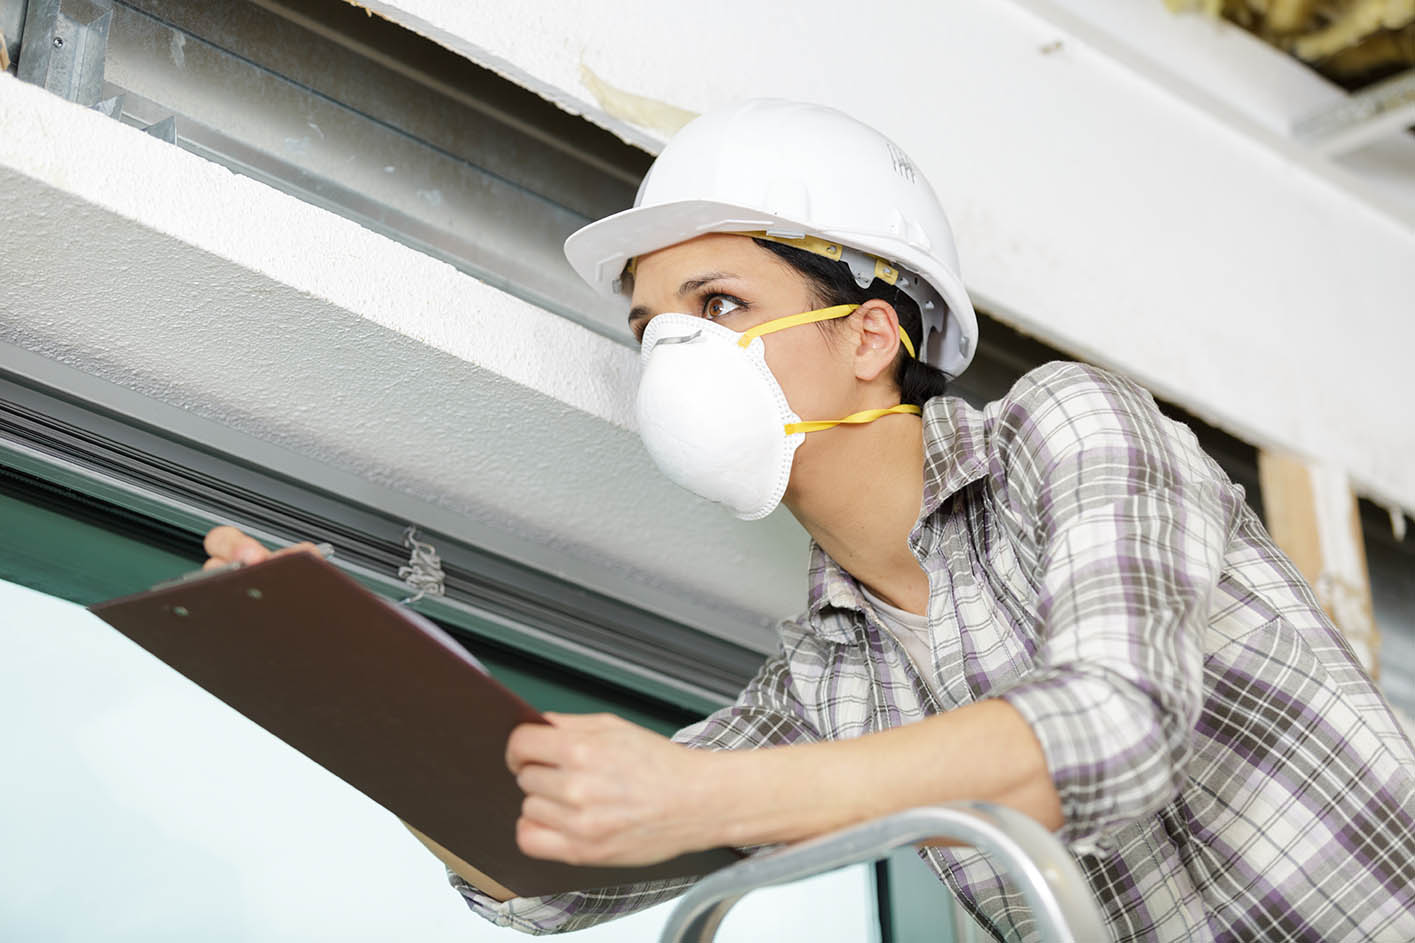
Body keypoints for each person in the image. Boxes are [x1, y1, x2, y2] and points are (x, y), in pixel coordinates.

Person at [203, 99, 1415, 941]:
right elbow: (538, 873)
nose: (672, 348)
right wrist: (336, 687)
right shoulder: (825, 680)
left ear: (867, 335)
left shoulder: (1067, 430)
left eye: (717, 301)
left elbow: (1111, 729)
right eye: (649, 327)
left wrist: (697, 797)